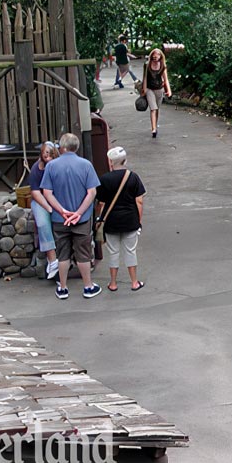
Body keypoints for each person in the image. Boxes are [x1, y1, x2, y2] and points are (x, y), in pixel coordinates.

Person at [39, 133, 101, 300]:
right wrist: (78, 213)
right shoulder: (86, 165)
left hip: (60, 219)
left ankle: (63, 288)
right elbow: (92, 192)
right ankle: (88, 287)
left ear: (62, 147)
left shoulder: (51, 166)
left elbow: (47, 192)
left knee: (62, 254)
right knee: (83, 254)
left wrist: (62, 211)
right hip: (81, 219)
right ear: (76, 147)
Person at [96, 146, 146, 292]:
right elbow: (139, 201)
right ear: (124, 160)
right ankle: (134, 282)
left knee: (113, 252)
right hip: (130, 220)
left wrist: (100, 218)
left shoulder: (104, 179)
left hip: (111, 221)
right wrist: (139, 221)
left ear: (111, 162)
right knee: (131, 251)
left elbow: (101, 203)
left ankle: (113, 283)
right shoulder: (133, 177)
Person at [26, 141, 61, 280]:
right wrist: (48, 207)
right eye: (45, 156)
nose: (48, 159)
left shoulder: (59, 167)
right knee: (42, 223)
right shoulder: (36, 169)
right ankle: (52, 260)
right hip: (41, 200)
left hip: (57, 199)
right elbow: (35, 192)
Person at [144, 48, 172, 138]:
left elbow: (166, 79)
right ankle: (154, 130)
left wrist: (169, 90)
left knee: (157, 109)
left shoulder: (162, 65)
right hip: (149, 89)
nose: (156, 56)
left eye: (158, 54)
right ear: (151, 55)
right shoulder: (147, 65)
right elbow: (145, 78)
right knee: (153, 109)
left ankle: (155, 125)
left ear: (161, 57)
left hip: (159, 89)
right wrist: (144, 90)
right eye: (154, 54)